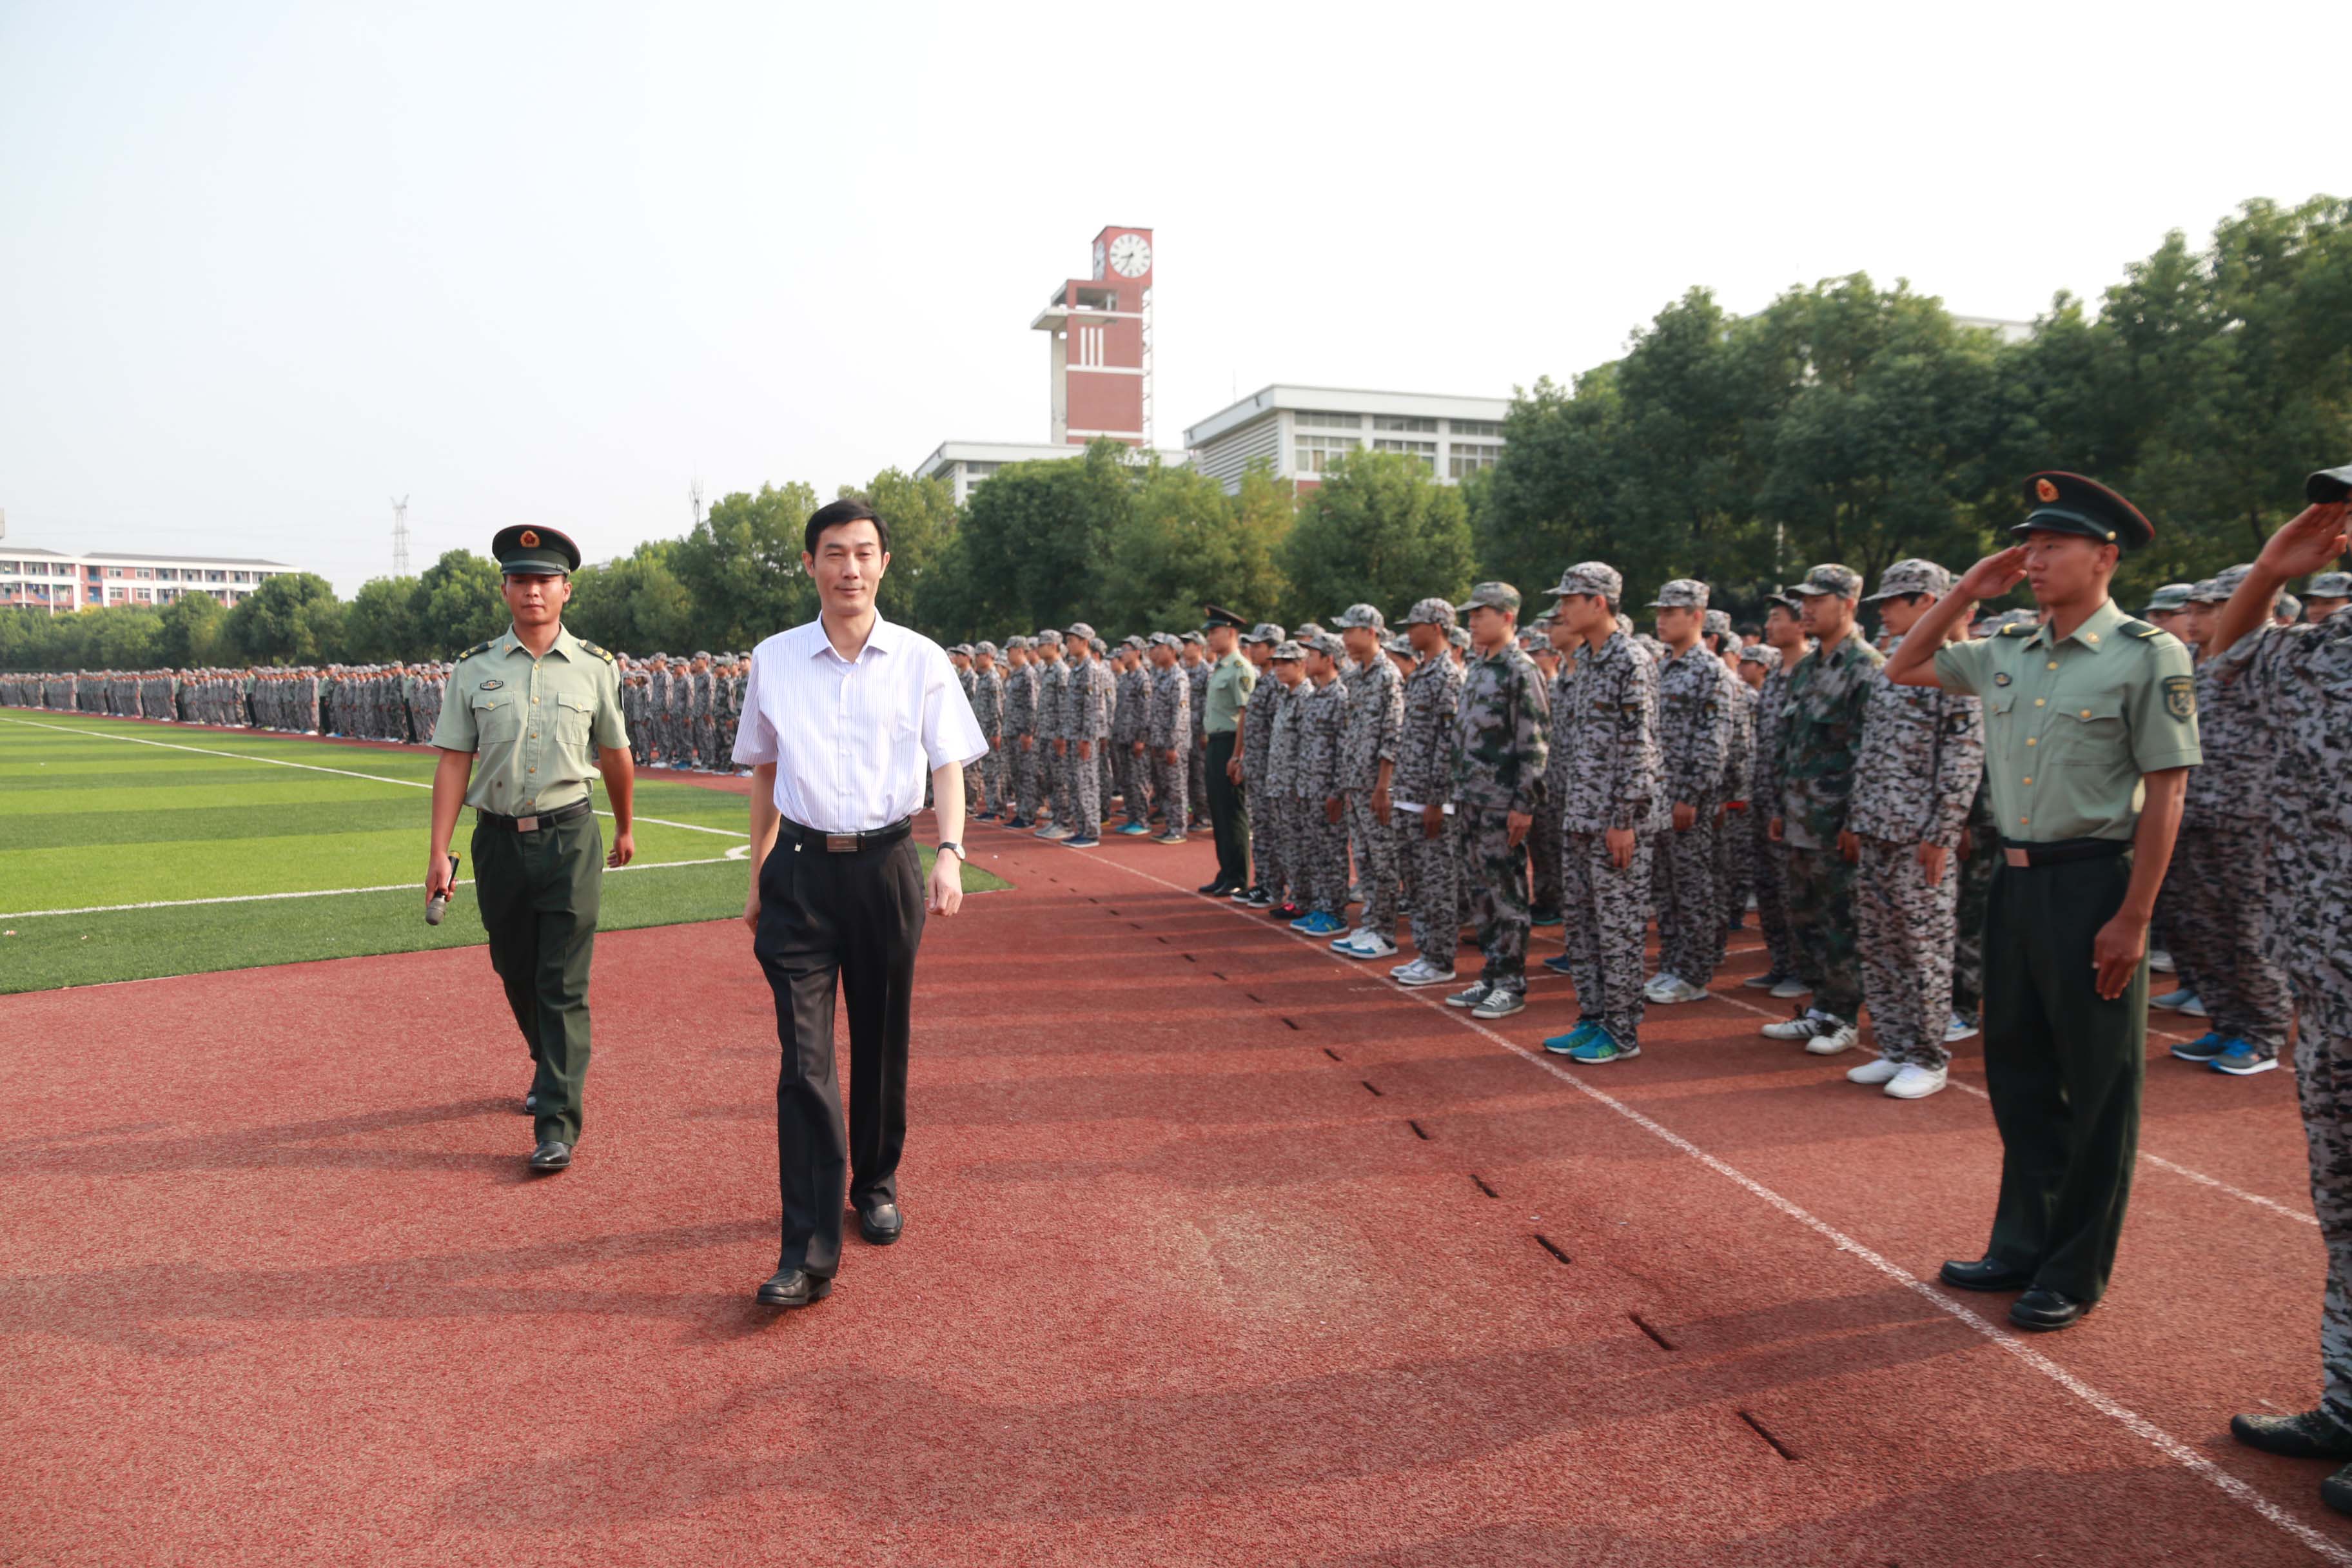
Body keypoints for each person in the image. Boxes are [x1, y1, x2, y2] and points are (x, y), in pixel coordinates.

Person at [1886, 471, 2199, 1332]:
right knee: (2018, 1073)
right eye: (2027, 545)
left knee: (2098, 1086)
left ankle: (2074, 1268)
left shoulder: (2147, 653)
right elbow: (1905, 664)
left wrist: (2134, 918)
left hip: (2095, 881)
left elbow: (2167, 793)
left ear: (2106, 557)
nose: (2033, 558)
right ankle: (2021, 1241)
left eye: (2052, 545)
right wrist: (1967, 589)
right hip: (2014, 883)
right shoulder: (2009, 649)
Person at [733, 497, 987, 1311]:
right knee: (804, 1062)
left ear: (884, 563)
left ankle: (874, 1179)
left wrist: (949, 851)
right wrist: (757, 873)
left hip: (886, 866)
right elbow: (765, 768)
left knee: (880, 1039)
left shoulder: (920, 659)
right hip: (801, 874)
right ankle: (806, 1252)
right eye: (834, 552)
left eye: (865, 552)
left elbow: (948, 761)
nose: (850, 567)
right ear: (810, 563)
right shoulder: (773, 658)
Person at [2206, 487, 2352, 1510]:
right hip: (2326, 972)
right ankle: (2347, 1399)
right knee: (2343, 1200)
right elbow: (2222, 661)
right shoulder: (2321, 647)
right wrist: (2269, 570)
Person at [424, 524, 635, 1175]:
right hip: (497, 842)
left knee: (562, 981)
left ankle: (556, 1122)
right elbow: (455, 760)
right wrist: (439, 849)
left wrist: (625, 825)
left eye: (545, 579)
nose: (533, 590)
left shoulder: (597, 668)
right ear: (505, 589)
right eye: (521, 579)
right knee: (515, 967)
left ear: (566, 589)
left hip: (571, 836)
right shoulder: (474, 669)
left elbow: (616, 754)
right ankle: (549, 1064)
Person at [1844, 560, 1983, 1101]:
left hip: (1918, 835)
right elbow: (1872, 754)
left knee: (1923, 948)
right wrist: (1858, 819)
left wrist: (1943, 832)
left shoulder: (1957, 668)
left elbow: (1963, 760)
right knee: (1881, 946)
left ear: (1930, 602)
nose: (1884, 610)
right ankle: (1896, 1046)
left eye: (1895, 600)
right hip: (1879, 826)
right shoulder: (1894, 669)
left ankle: (1929, 1055)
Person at [2160, 568, 2290, 1076]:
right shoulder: (2187, 664)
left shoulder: (2270, 662)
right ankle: (2227, 1021)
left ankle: (2262, 1034)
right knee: (2199, 926)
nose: (2194, 617)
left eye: (2208, 607)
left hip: (2252, 819)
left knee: (2250, 931)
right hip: (2191, 814)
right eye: (2192, 607)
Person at [1540, 562, 1663, 1063]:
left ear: (1599, 602)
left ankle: (1622, 1030)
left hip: (1615, 822)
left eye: (1571, 599)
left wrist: (1624, 820)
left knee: (1619, 928)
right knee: (1584, 925)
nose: (1563, 608)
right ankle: (1592, 1017)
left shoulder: (1630, 660)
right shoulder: (1586, 661)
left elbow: (1640, 747)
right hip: (1581, 816)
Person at [1763, 565, 1880, 1057]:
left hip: (1836, 822)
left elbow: (1871, 753)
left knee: (1842, 919)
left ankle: (1846, 1015)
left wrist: (1857, 820)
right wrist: (1778, 805)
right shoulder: (1808, 668)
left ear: (1848, 605)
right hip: (1798, 817)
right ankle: (1820, 1008)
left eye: (1817, 601)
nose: (1806, 609)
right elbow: (1789, 743)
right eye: (1802, 601)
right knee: (1805, 916)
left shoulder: (1866, 668)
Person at [1447, 582, 1549, 1021]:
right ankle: (1491, 973)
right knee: (1480, 891)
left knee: (1506, 892)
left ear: (1508, 617)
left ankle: (1511, 983)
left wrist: (1524, 803)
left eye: (1481, 613)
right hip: (1471, 797)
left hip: (1501, 801)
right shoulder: (1479, 665)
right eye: (1469, 614)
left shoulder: (1519, 670)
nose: (1471, 620)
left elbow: (1534, 742)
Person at [1645, 579, 1736, 1006]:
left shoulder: (1711, 671)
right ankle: (1671, 963)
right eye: (1660, 612)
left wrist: (1692, 797)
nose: (1661, 620)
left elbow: (1713, 741)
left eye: (1671, 613)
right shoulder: (1661, 668)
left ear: (1697, 616)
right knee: (1664, 888)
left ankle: (1694, 973)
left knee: (1693, 888)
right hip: (1657, 799)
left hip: (1686, 801)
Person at [1390, 599, 1464, 986]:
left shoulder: (1446, 676)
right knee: (1416, 880)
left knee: (1437, 883)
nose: (1408, 632)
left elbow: (1449, 743)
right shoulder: (1422, 674)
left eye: (1414, 625)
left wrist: (1439, 798)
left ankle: (1440, 958)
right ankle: (1426, 953)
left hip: (1431, 799)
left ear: (1437, 627)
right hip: (1409, 791)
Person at [1331, 603, 1404, 957]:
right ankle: (1371, 924)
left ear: (1371, 632)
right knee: (1364, 859)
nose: (1344, 638)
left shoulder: (1388, 675)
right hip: (1355, 782)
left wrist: (1383, 786)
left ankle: (1385, 933)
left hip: (1376, 784)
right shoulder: (1354, 676)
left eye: (1349, 631)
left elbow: (1393, 734)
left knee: (1384, 859)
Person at [1288, 633, 1352, 935]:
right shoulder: (1314, 698)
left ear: (1328, 659)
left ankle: (1335, 913)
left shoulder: (1341, 697)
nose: (1306, 661)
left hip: (1328, 789)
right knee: (1314, 850)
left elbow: (1344, 748)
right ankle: (1320, 907)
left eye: (1312, 656)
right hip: (1309, 787)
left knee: (1332, 852)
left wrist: (1337, 791)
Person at [1200, 605, 1259, 896]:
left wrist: (1238, 756)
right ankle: (1225, 871)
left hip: (1230, 744)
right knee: (1218, 811)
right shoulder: (1220, 667)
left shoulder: (1240, 669)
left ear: (1231, 633)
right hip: (1215, 743)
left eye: (1214, 632)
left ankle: (1238, 877)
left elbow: (1245, 715)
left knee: (1233, 812)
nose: (1209, 638)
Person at [1233, 623, 1286, 901]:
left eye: (1259, 646)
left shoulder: (1277, 683)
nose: (1252, 650)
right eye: (1251, 645)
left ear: (1274, 649)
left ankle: (1274, 886)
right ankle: (1264, 882)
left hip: (1270, 769)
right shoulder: (1262, 679)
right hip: (1257, 765)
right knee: (1261, 829)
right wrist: (1241, 758)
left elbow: (1277, 732)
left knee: (1271, 830)